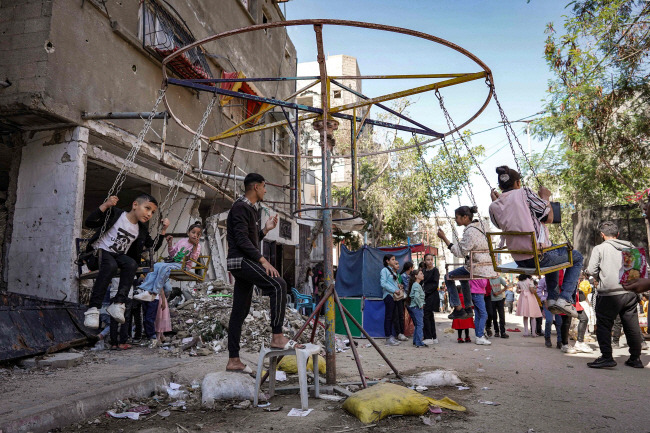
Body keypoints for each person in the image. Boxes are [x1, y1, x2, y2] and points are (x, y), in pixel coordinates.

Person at [226, 173, 301, 374]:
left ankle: (233, 360)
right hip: (241, 261)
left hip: (242, 262)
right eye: (265, 187)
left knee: (239, 311)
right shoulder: (241, 207)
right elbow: (241, 242)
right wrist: (263, 260)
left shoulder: (249, 209)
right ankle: (277, 336)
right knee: (279, 284)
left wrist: (265, 230)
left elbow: (248, 240)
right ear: (257, 187)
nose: (266, 191)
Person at [489, 165, 583, 317]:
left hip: (520, 260)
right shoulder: (524, 192)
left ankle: (552, 299)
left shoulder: (494, 206)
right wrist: (545, 197)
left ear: (500, 186)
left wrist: (497, 202)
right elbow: (548, 217)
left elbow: (501, 223)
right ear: (518, 183)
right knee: (577, 257)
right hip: (538, 257)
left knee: (553, 255)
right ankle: (565, 298)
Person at [83, 193, 169, 329]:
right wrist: (105, 205)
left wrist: (163, 230)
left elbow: (152, 246)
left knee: (131, 264)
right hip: (98, 254)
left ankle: (118, 303)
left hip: (116, 257)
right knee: (110, 265)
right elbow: (90, 222)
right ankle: (93, 309)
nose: (149, 214)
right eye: (147, 208)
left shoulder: (141, 229)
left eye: (152, 212)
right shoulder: (116, 214)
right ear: (135, 205)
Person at [585, 221, 644, 368]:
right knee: (632, 326)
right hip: (630, 292)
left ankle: (607, 357)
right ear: (618, 234)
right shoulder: (631, 247)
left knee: (604, 325)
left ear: (602, 235)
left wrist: (598, 277)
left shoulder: (600, 248)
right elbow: (642, 268)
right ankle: (635, 358)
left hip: (609, 294)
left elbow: (591, 270)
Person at [437, 205, 495, 320]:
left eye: (457, 217)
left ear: (465, 217)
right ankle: (468, 307)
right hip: (487, 265)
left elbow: (460, 253)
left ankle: (458, 308)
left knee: (448, 277)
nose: (456, 220)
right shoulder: (484, 225)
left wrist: (444, 238)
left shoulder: (469, 232)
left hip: (476, 267)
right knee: (463, 277)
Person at [134, 222, 203, 302]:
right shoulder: (182, 241)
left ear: (200, 236)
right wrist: (170, 244)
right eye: (193, 232)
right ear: (188, 233)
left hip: (183, 266)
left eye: (198, 234)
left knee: (164, 267)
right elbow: (172, 253)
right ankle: (144, 289)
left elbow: (193, 258)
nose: (195, 235)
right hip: (173, 263)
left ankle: (154, 292)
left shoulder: (198, 247)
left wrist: (195, 247)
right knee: (155, 266)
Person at [380, 254, 402, 346]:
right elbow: (383, 283)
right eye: (392, 259)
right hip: (388, 295)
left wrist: (399, 286)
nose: (394, 261)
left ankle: (392, 337)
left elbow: (392, 283)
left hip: (394, 296)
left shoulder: (393, 272)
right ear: (387, 261)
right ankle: (388, 337)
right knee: (389, 316)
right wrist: (394, 290)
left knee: (393, 316)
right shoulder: (384, 270)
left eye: (394, 259)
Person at [538, 276, 563, 349]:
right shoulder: (543, 280)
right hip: (547, 302)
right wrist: (544, 299)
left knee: (559, 322)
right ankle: (547, 337)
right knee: (549, 320)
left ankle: (559, 341)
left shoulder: (559, 278)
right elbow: (539, 291)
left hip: (558, 302)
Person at [421, 253, 440, 345]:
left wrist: (425, 292)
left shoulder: (435, 270)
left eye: (431, 259)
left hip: (432, 295)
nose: (430, 261)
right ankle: (433, 336)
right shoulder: (423, 271)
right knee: (429, 316)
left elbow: (435, 284)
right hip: (425, 295)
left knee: (426, 316)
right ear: (424, 261)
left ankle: (429, 337)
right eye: (428, 259)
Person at [406, 268, 426, 347]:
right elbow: (417, 297)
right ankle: (419, 342)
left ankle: (416, 341)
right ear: (416, 276)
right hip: (417, 307)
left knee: (417, 325)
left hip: (413, 307)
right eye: (421, 274)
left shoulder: (415, 285)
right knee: (420, 325)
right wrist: (420, 304)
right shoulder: (417, 285)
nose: (423, 275)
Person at [397, 262, 415, 342]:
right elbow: (407, 287)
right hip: (405, 298)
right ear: (410, 268)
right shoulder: (404, 276)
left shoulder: (409, 276)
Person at [470, 279, 491, 345]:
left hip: (475, 292)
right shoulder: (479, 273)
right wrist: (486, 278)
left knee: (478, 315)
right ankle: (480, 335)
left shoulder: (473, 271)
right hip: (478, 293)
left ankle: (478, 336)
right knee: (484, 315)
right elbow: (483, 284)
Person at [489, 274, 509, 338]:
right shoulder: (488, 279)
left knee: (501, 316)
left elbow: (506, 286)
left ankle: (503, 332)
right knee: (494, 316)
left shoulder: (499, 278)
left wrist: (499, 292)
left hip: (500, 299)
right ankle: (496, 332)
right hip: (492, 300)